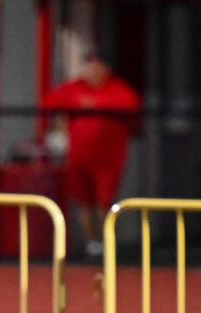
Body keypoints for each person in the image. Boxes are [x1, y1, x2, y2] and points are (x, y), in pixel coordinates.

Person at [43, 50, 141, 259]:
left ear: (106, 69)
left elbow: (130, 104)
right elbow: (51, 103)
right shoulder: (74, 88)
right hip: (79, 157)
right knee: (84, 201)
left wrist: (94, 104)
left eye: (96, 66)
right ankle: (92, 243)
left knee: (105, 201)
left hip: (108, 158)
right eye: (88, 66)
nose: (92, 71)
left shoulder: (116, 89)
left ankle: (106, 241)